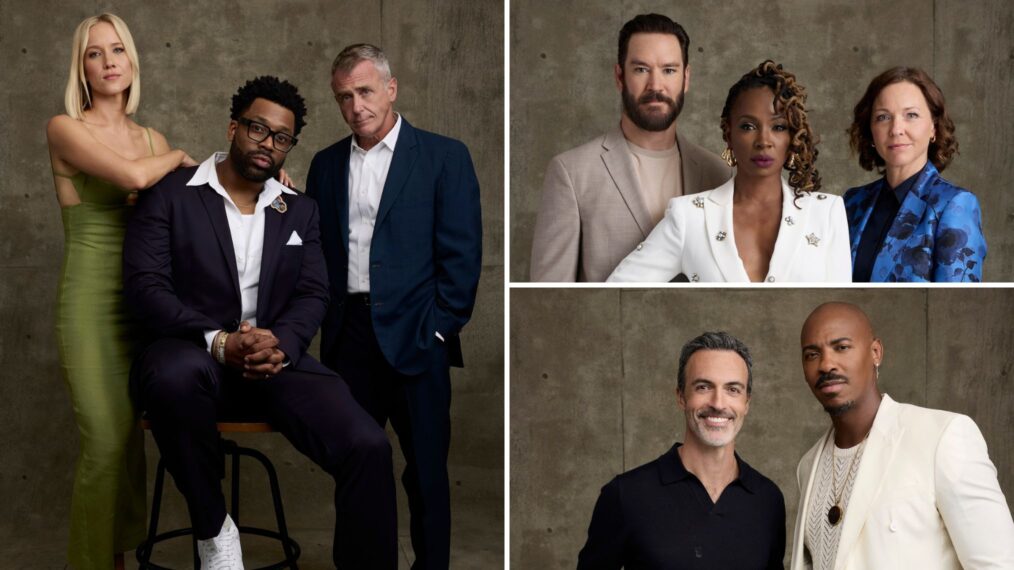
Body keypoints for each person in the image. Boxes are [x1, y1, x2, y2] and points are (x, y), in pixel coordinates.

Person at [123, 76, 398, 569]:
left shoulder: (299, 208)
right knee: (173, 375)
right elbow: (146, 288)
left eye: (281, 137)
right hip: (191, 355)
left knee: (368, 444)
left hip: (275, 362)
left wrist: (282, 342)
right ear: (234, 127)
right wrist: (217, 340)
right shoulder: (170, 195)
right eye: (257, 129)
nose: (267, 144)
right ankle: (215, 531)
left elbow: (314, 291)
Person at [305, 44, 482, 569]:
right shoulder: (325, 164)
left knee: (426, 473)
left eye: (363, 91)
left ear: (391, 88)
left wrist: (438, 329)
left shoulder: (444, 156)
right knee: (356, 469)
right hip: (349, 339)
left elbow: (463, 255)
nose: (355, 106)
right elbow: (316, 249)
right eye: (344, 97)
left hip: (418, 334)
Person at [45, 13, 197, 569]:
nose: (109, 62)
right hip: (89, 305)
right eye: (94, 53)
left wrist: (266, 179)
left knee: (132, 447)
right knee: (106, 444)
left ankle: (118, 556)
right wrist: (180, 160)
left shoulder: (150, 138)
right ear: (81, 68)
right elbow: (137, 180)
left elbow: (195, 207)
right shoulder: (65, 128)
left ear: (132, 60)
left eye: (117, 50)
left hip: (146, 304)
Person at [791, 302, 1014, 569]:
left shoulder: (942, 437)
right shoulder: (808, 466)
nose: (826, 364)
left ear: (875, 352)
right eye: (812, 354)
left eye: (841, 347)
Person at [529, 13, 731, 282]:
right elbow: (551, 291)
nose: (655, 85)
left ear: (686, 78)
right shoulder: (572, 173)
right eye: (641, 69)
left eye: (668, 70)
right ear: (619, 76)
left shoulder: (719, 175)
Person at [608, 60, 851, 283]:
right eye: (748, 126)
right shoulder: (689, 216)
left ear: (792, 136)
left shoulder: (827, 213)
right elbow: (620, 284)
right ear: (729, 134)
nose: (763, 141)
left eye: (778, 126)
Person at [578, 332, 785, 569]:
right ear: (681, 396)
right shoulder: (625, 495)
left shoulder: (767, 500)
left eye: (733, 389)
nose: (718, 403)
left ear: (746, 403)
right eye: (703, 387)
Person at [844, 67, 986, 282]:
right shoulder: (852, 202)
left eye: (911, 115)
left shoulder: (955, 204)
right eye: (883, 117)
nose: (896, 129)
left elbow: (951, 299)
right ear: (870, 130)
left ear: (933, 128)